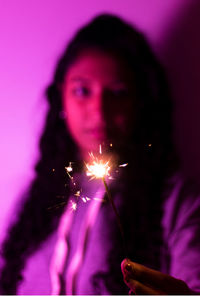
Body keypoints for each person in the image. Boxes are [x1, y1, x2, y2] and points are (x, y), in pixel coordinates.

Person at [0, 13, 200, 295]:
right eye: (82, 91)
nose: (99, 111)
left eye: (117, 93)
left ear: (141, 101)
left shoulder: (175, 202)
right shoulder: (33, 204)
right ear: (62, 98)